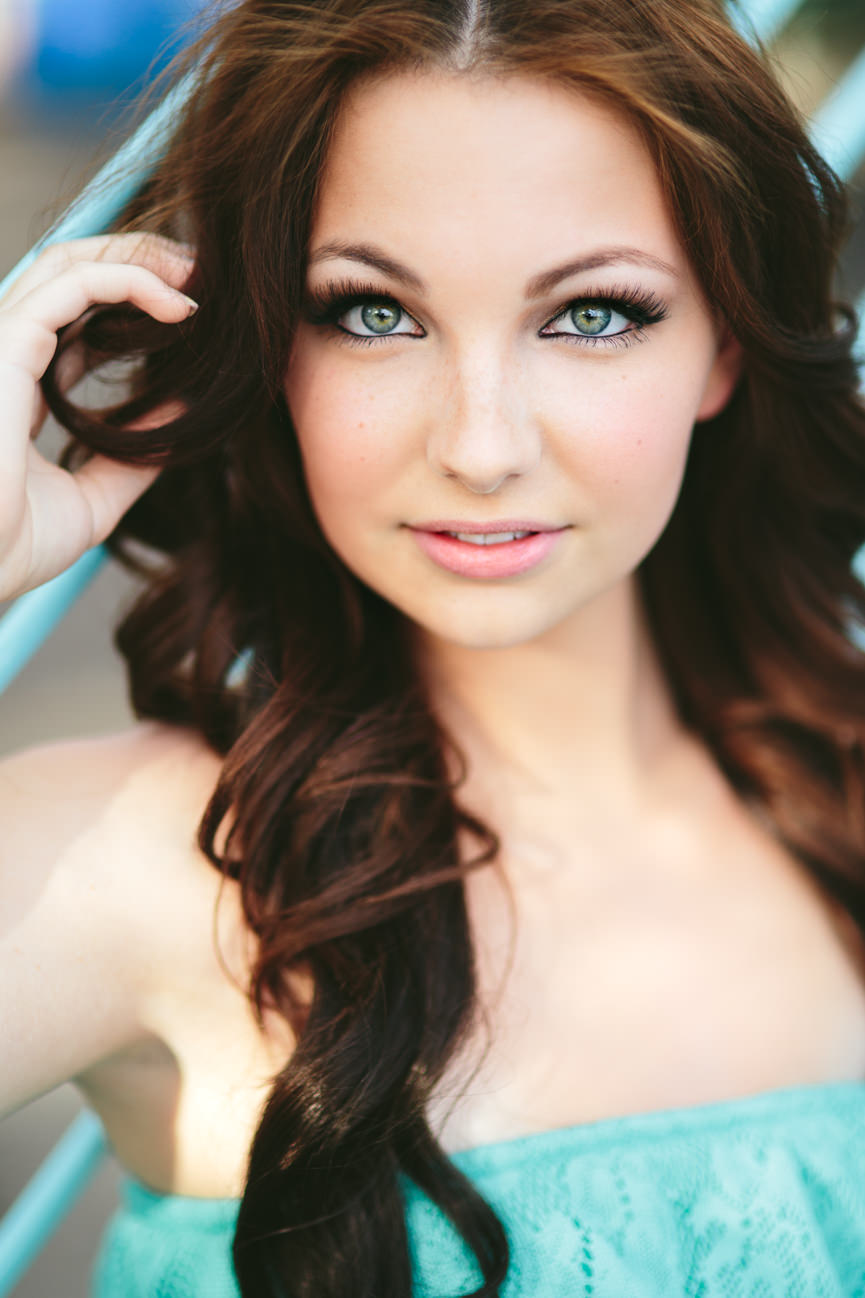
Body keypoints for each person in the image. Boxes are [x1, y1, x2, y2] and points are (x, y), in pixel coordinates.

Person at [2, 0, 865, 1294]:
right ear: (264, 348)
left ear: (723, 344)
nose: (478, 443)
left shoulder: (837, 782)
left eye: (588, 314)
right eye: (369, 312)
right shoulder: (143, 863)